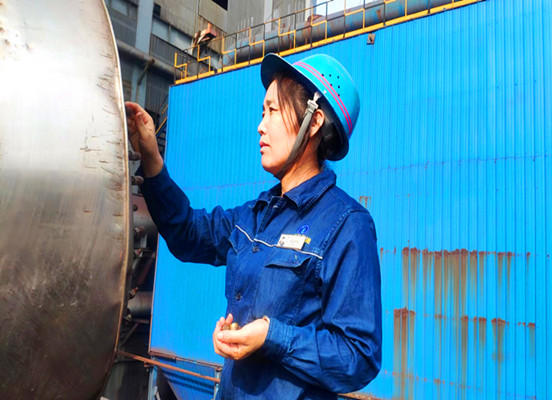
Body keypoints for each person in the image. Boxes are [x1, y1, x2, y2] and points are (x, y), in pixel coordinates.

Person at [126, 53, 382, 399]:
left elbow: (358, 357)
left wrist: (271, 336)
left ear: (314, 121)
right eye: (263, 113)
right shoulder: (256, 216)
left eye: (273, 111)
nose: (261, 126)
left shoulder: (347, 225)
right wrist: (152, 160)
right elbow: (187, 232)